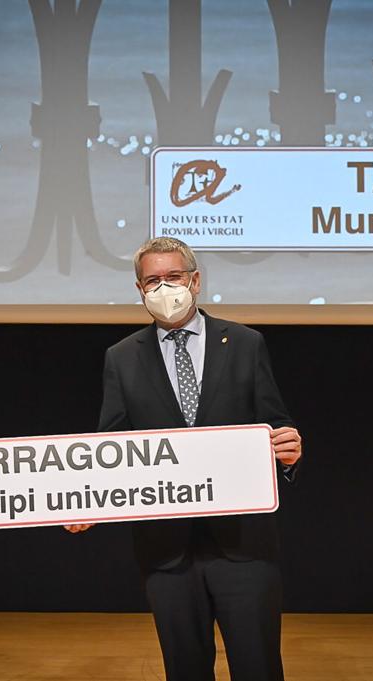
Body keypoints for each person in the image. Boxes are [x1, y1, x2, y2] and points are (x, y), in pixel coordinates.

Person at [66, 237, 303, 681]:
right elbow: (111, 445)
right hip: (167, 551)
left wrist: (288, 454)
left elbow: (275, 425)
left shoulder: (246, 343)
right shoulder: (121, 357)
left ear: (194, 281)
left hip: (244, 548)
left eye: (172, 277)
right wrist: (87, 498)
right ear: (139, 289)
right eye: (152, 280)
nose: (163, 287)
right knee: (185, 670)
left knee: (258, 667)